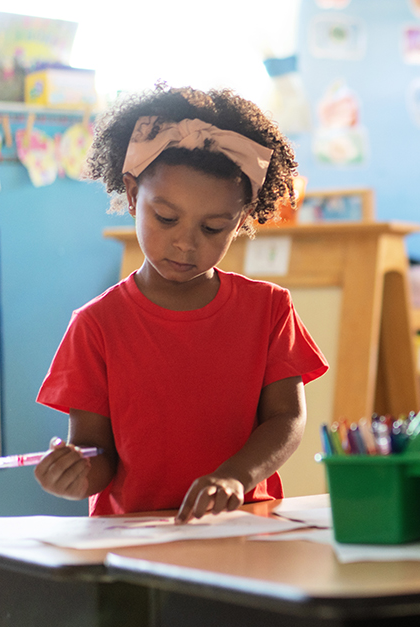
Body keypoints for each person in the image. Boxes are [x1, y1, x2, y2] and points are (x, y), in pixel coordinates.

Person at [34, 84, 328, 522]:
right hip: (134, 545)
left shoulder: (269, 311)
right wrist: (76, 475)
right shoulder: (96, 325)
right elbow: (98, 455)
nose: (186, 243)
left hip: (240, 534)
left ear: (242, 220)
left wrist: (234, 477)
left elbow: (286, 420)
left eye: (213, 228)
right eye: (166, 218)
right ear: (133, 195)